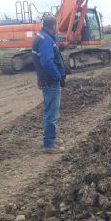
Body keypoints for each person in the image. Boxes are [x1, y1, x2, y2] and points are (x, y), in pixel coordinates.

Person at [32, 15, 66, 154]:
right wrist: (57, 76)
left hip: (45, 80)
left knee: (49, 111)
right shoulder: (46, 40)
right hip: (51, 82)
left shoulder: (41, 37)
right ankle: (49, 144)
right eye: (57, 25)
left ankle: (48, 139)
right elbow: (47, 62)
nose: (58, 27)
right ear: (53, 25)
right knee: (52, 113)